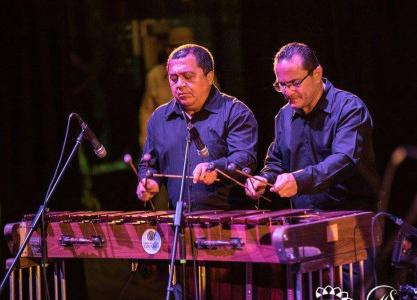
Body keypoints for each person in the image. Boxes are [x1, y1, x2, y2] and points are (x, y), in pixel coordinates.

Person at [245, 42, 379, 212]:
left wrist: (299, 180)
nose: (288, 92)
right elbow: (277, 161)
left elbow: (343, 161)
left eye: (295, 83)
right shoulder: (284, 116)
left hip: (352, 217)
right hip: (306, 219)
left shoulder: (349, 108)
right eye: (282, 85)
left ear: (317, 73)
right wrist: (264, 179)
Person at [137, 44, 257, 211]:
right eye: (173, 78)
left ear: (209, 77)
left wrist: (216, 168)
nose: (180, 84)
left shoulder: (235, 112)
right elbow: (148, 164)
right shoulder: (159, 118)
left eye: (188, 76)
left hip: (230, 221)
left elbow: (245, 159)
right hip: (179, 223)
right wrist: (148, 181)